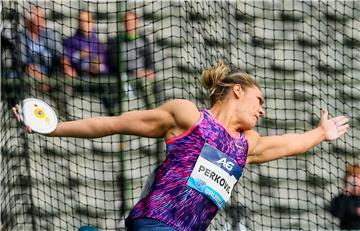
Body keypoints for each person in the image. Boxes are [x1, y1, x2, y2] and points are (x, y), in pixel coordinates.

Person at [12, 62, 349, 231]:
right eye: (259, 100)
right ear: (236, 90)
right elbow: (113, 123)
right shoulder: (189, 117)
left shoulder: (248, 145)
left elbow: (291, 143)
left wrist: (320, 133)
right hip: (156, 222)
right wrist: (54, 128)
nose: (262, 110)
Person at [62, 9, 114, 115]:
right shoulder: (71, 41)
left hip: (98, 80)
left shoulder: (99, 43)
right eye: (82, 21)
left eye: (87, 21)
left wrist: (99, 67)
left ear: (93, 22)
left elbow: (108, 67)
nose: (84, 24)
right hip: (80, 79)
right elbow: (67, 60)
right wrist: (80, 55)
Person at [108, 11, 157, 109]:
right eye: (127, 22)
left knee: (150, 85)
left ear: (137, 23)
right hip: (125, 78)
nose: (129, 25)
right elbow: (114, 63)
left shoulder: (144, 40)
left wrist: (149, 71)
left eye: (132, 22)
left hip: (143, 78)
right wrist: (134, 72)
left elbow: (149, 61)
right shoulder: (116, 41)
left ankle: (153, 110)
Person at [330, 164, 360, 229]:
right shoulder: (342, 197)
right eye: (352, 178)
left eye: (357, 177)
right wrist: (345, 194)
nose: (354, 182)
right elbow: (336, 213)